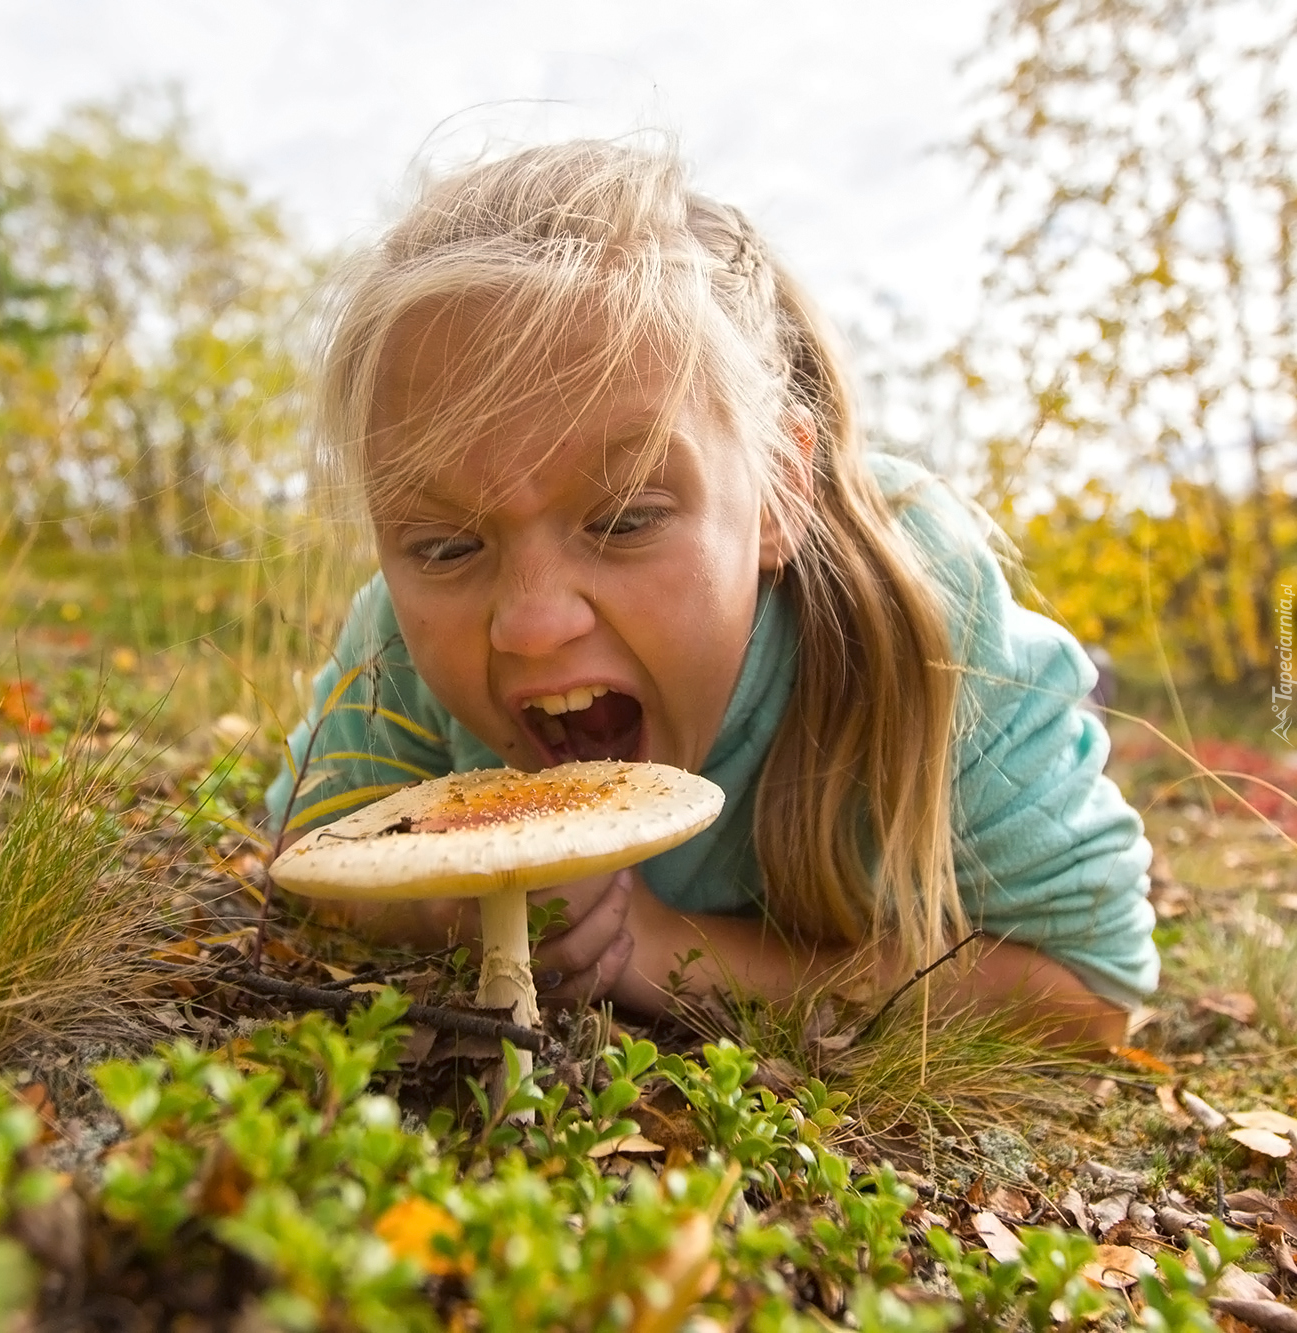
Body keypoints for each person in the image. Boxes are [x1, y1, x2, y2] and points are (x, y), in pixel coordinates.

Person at [266, 139, 1156, 1049]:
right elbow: (309, 851)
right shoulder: (401, 633)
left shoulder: (923, 597)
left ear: (779, 490)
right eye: (449, 544)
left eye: (625, 520)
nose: (533, 624)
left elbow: (1093, 987)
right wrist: (447, 907)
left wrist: (664, 948)